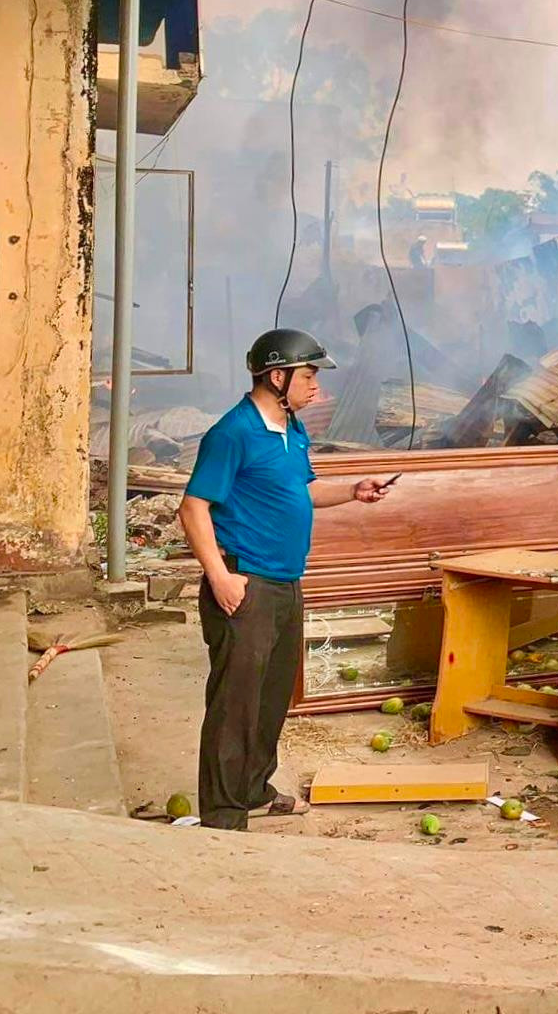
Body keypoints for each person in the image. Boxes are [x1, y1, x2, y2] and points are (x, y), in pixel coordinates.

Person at [180, 329, 391, 830]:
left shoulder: (292, 428)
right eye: (310, 374)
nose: (316, 385)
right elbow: (193, 509)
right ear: (278, 376)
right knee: (236, 702)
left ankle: (253, 789)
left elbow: (303, 489)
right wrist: (220, 578)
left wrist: (354, 492)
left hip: (285, 582)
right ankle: (224, 815)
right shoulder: (232, 433)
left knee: (272, 697)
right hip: (245, 582)